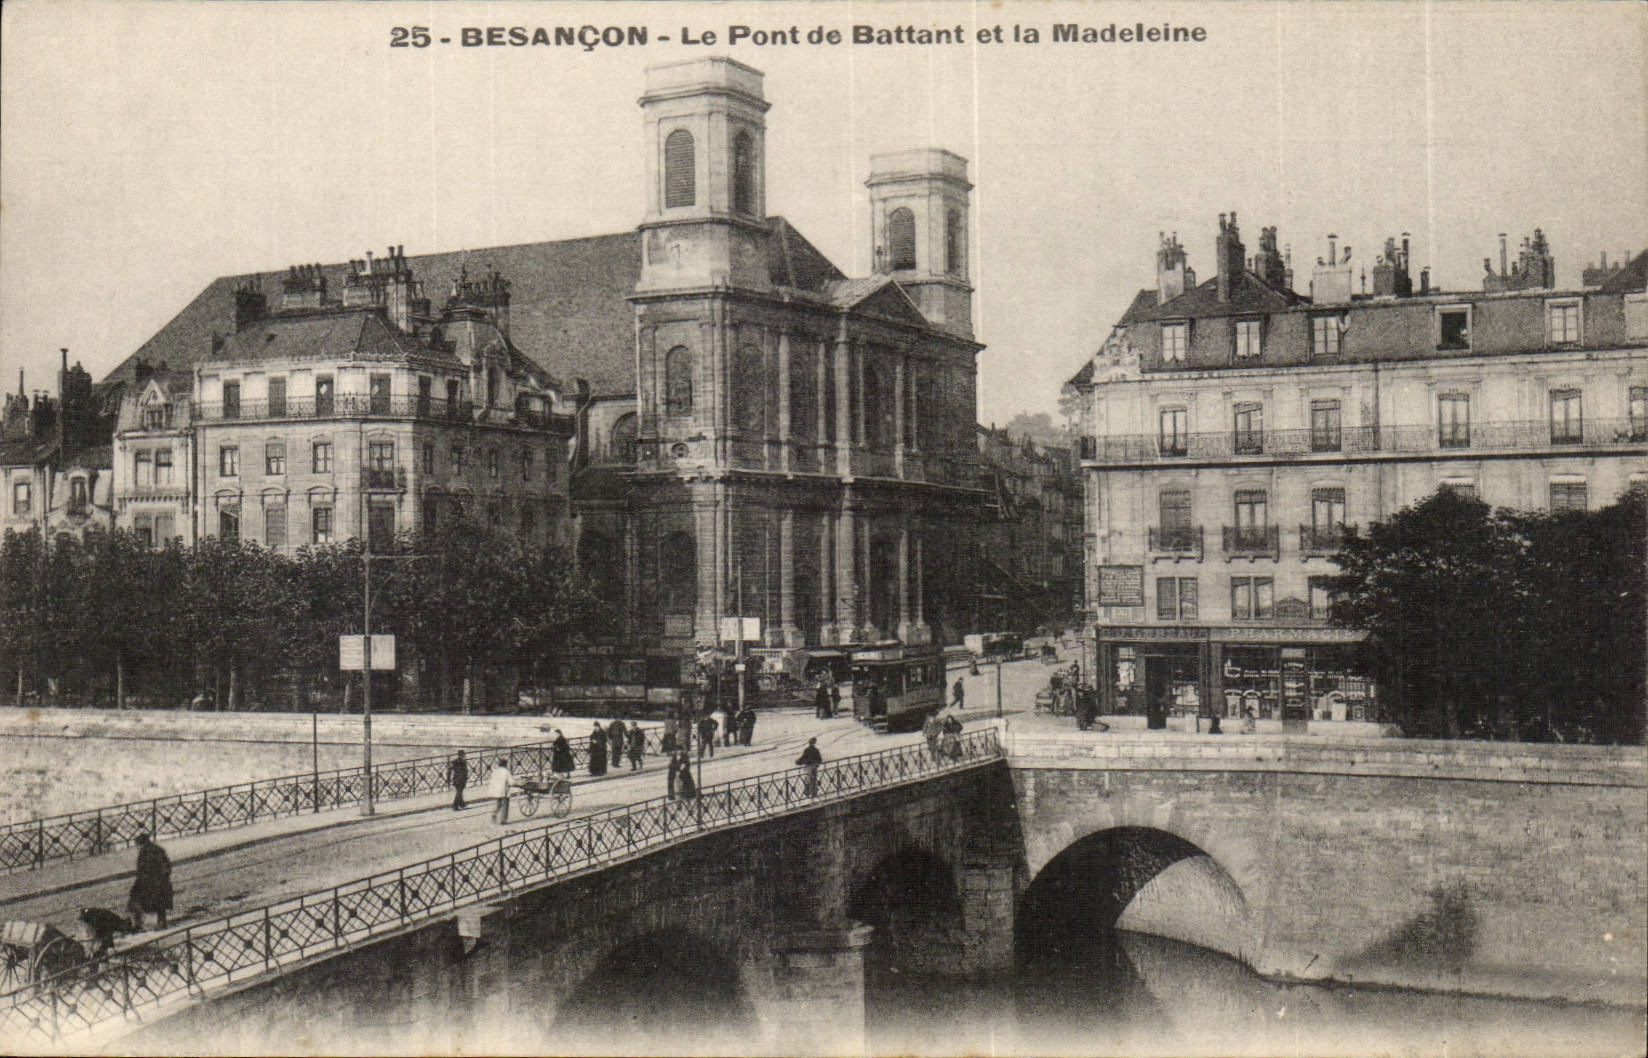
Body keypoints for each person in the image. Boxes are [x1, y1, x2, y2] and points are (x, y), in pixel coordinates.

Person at [126, 833, 172, 930]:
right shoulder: (158, 850)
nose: (137, 847)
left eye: (137, 845)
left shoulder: (145, 852)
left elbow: (143, 870)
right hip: (158, 882)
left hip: (150, 883)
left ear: (141, 843)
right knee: (159, 904)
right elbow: (166, 866)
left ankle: (138, 924)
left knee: (135, 901)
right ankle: (160, 923)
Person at [487, 758, 513, 824]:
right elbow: (511, 782)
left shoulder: (495, 771)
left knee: (498, 803)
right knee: (505, 805)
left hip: (496, 790)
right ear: (505, 764)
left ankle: (494, 813)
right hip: (504, 791)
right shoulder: (506, 771)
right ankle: (503, 820)